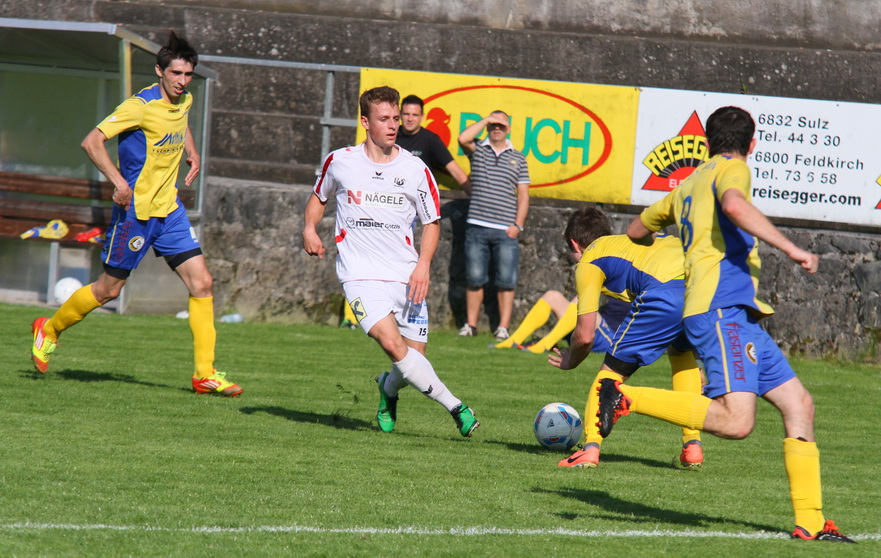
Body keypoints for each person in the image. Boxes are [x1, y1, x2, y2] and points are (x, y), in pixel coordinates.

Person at [606, 106, 853, 542]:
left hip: (738, 314)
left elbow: (635, 230)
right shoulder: (732, 169)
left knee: (800, 403)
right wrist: (791, 248)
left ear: (706, 142)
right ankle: (625, 396)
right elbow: (735, 205)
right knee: (738, 423)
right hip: (720, 309)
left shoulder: (687, 185)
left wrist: (688, 238)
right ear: (751, 145)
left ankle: (812, 522)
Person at [29, 32, 242, 397]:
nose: (182, 81)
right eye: (175, 73)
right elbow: (91, 142)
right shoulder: (139, 106)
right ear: (159, 71)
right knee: (108, 290)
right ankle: (48, 329)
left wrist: (192, 152)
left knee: (202, 283)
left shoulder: (184, 98)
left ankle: (204, 374)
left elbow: (181, 121)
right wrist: (119, 183)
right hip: (136, 213)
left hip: (170, 211)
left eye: (188, 74)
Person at [303, 85, 479, 437]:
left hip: (405, 274)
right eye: (384, 118)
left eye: (396, 118)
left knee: (413, 359)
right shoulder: (341, 161)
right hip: (359, 275)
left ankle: (387, 388)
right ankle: (457, 407)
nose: (393, 124)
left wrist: (423, 266)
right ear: (365, 122)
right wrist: (309, 228)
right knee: (391, 344)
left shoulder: (415, 168)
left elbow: (432, 223)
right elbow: (319, 197)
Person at [546, 207, 704, 469]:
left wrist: (571, 360)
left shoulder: (590, 258)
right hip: (703, 290)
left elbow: (585, 336)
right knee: (681, 353)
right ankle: (692, 446)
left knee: (609, 376)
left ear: (574, 244)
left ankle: (590, 449)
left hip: (664, 293)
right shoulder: (632, 242)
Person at [457, 111, 530, 340]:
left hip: (506, 229)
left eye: (501, 125)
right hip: (476, 226)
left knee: (506, 282)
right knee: (474, 279)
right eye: (493, 125)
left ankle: (503, 327)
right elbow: (462, 138)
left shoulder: (519, 158)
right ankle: (470, 325)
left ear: (508, 128)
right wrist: (487, 119)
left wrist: (518, 225)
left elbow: (523, 195)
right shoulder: (478, 149)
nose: (496, 128)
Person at [494, 290, 629, 355]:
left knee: (581, 300)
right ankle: (513, 340)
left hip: (609, 340)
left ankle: (545, 345)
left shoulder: (634, 278)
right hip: (585, 331)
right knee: (552, 296)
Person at [397, 95, 470, 190]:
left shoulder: (430, 139)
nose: (410, 119)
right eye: (406, 114)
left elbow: (456, 172)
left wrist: (477, 196)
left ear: (422, 117)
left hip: (419, 194)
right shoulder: (391, 136)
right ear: (400, 115)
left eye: (415, 115)